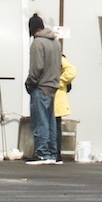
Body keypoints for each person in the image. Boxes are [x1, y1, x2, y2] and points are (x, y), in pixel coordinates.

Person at [24, 13, 61, 165]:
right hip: (53, 86)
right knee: (50, 121)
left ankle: (43, 153)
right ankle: (52, 153)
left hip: (40, 86)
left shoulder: (37, 43)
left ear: (32, 29)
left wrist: (29, 83)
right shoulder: (56, 42)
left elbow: (36, 68)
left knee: (40, 121)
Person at [54, 54, 77, 164]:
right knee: (55, 126)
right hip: (57, 97)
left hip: (56, 97)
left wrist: (60, 81)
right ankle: (55, 153)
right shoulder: (57, 58)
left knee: (53, 126)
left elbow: (72, 71)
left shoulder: (58, 58)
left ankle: (55, 153)